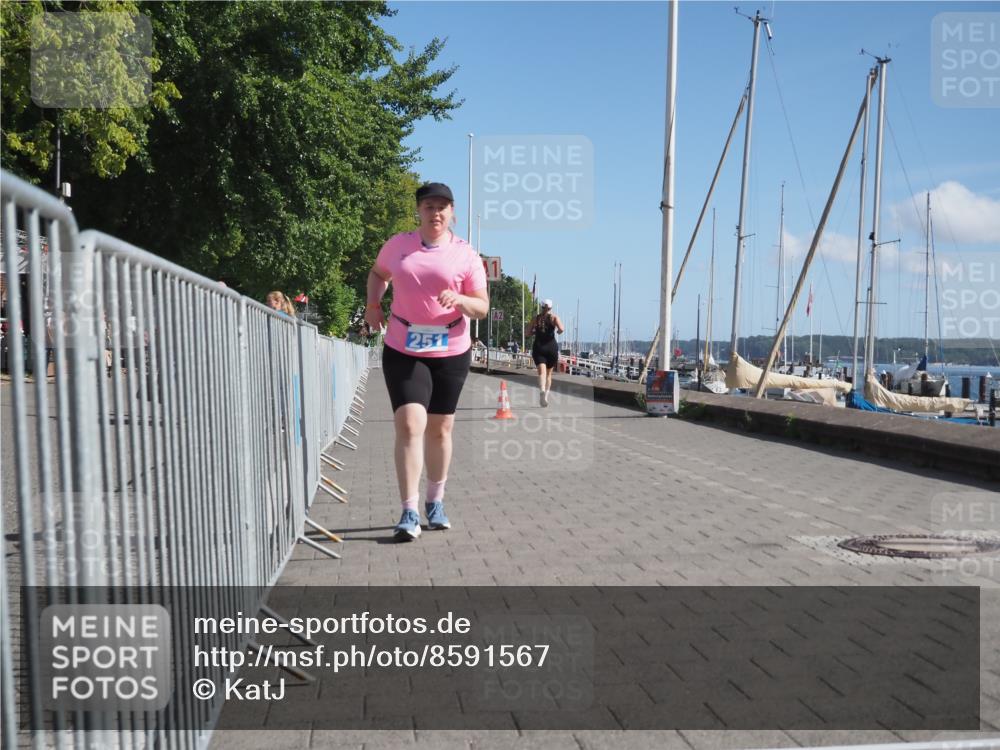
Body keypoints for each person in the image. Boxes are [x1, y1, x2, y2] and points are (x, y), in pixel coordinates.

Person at [364, 182, 489, 542]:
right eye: (429, 206)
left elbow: (482, 305)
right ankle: (408, 510)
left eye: (442, 207)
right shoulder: (398, 245)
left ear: (452, 213)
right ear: (418, 211)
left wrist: (461, 300)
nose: (435, 213)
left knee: (440, 429)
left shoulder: (466, 255)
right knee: (409, 423)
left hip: (450, 348)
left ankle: (436, 501)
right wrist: (374, 306)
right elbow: (378, 274)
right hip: (404, 344)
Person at [527, 299, 564, 406]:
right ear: (551, 308)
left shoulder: (536, 318)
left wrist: (535, 331)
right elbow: (561, 329)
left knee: (541, 373)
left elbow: (527, 333)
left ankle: (542, 390)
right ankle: (546, 396)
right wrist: (557, 331)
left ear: (541, 307)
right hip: (551, 347)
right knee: (549, 374)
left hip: (539, 347)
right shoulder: (554, 318)